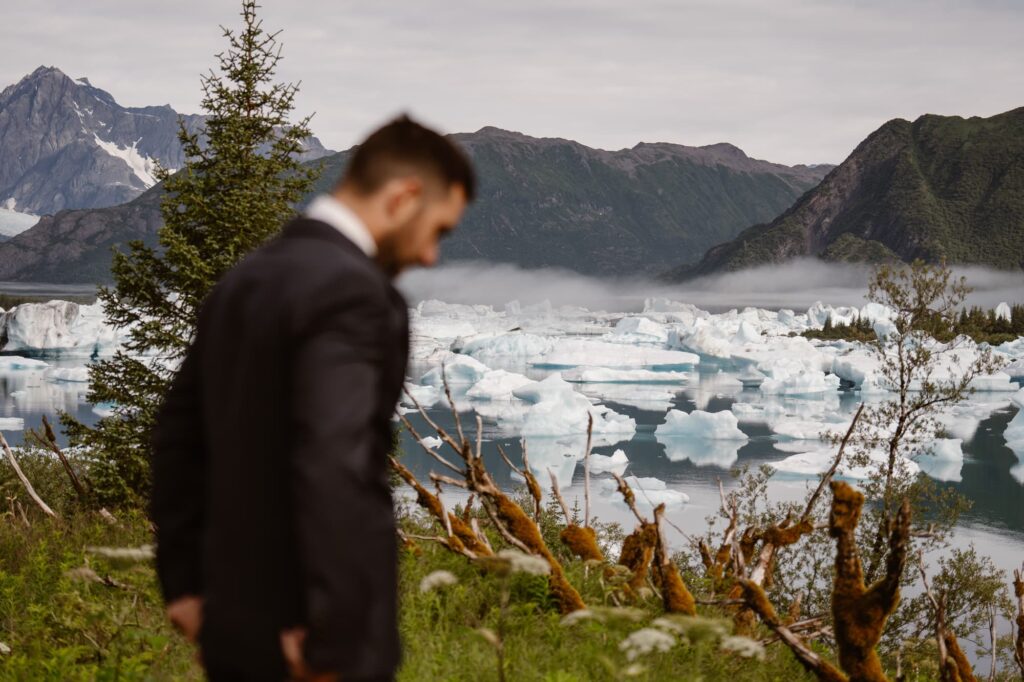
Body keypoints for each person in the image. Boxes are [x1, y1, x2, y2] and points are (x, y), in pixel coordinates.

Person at [150, 114, 475, 681]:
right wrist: (337, 635)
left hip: (233, 625)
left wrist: (183, 586)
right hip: (313, 645)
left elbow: (178, 435)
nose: (430, 257)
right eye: (439, 230)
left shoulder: (248, 277)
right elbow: (333, 460)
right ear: (404, 196)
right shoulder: (355, 294)